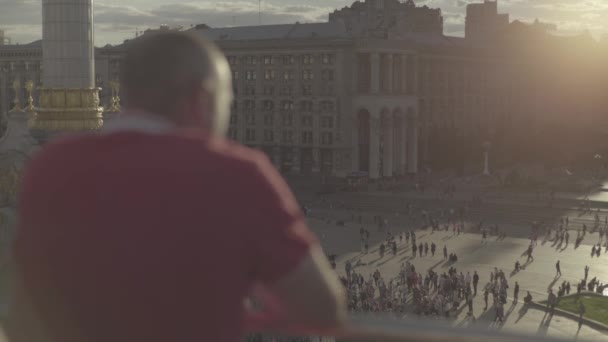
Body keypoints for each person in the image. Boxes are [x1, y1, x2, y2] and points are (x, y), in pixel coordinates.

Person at [8, 31, 346, 342]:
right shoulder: (237, 173)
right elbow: (322, 310)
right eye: (225, 105)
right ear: (202, 99)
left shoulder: (50, 165)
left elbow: (23, 294)